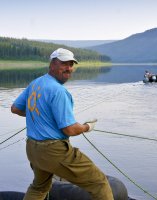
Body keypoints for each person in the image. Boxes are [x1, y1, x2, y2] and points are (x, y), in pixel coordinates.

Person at [11, 48, 114, 200]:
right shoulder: (59, 91)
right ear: (52, 64)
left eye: (71, 64)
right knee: (99, 183)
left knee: (39, 187)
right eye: (64, 63)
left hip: (33, 149)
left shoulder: (36, 83)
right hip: (54, 151)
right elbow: (70, 129)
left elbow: (16, 108)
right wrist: (87, 127)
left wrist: (41, 113)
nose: (69, 68)